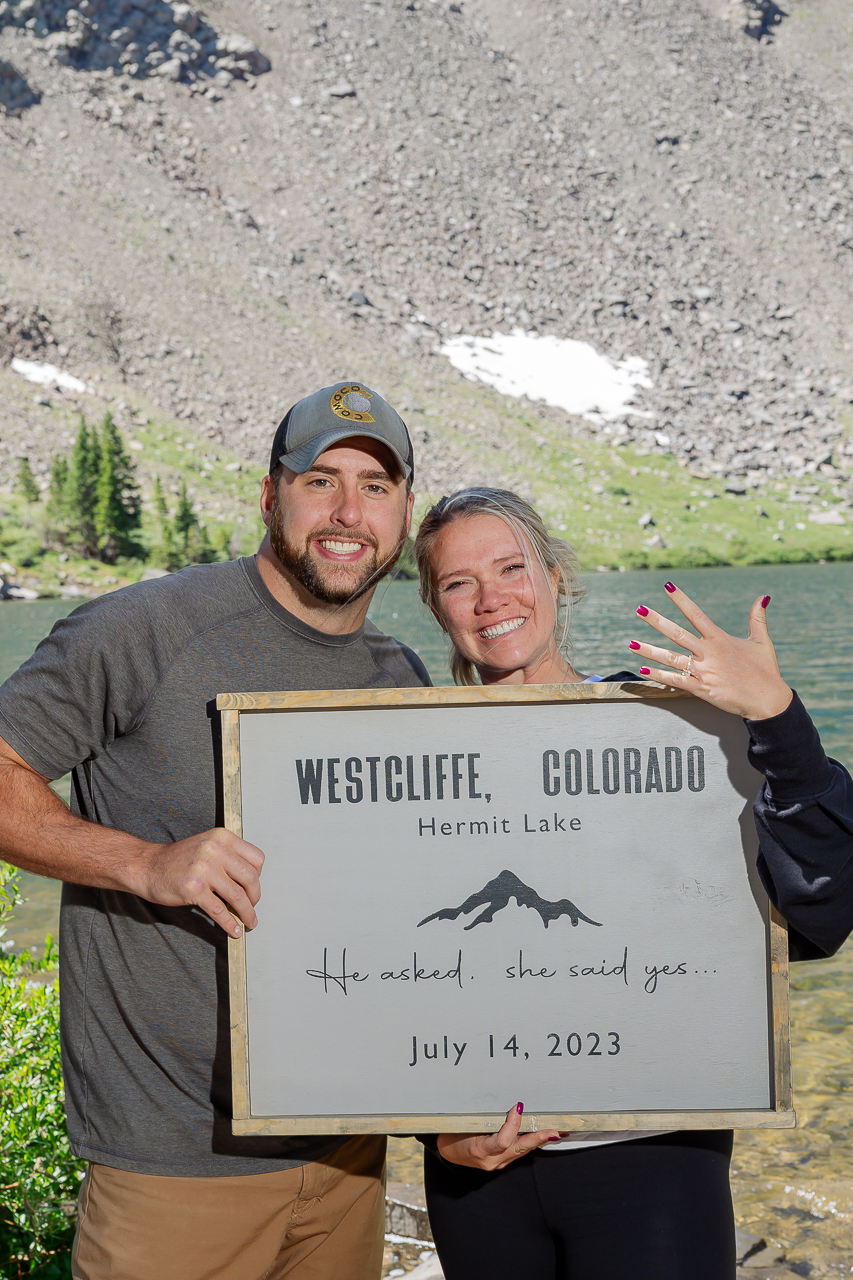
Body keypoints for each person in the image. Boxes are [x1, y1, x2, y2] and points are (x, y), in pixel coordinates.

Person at [0, 382, 431, 1280]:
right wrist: (144, 863)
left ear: (404, 513)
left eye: (376, 487)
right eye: (322, 480)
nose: (349, 512)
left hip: (347, 1158)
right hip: (172, 1164)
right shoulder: (142, 630)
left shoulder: (402, 674)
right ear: (270, 496)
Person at [411, 486, 853, 1280]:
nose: (490, 600)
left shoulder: (673, 731)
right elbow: (378, 968)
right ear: (434, 605)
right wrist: (430, 1135)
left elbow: (821, 906)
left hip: (651, 1160)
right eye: (457, 582)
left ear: (555, 577)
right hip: (475, 1173)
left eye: (511, 568)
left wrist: (776, 717)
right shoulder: (409, 760)